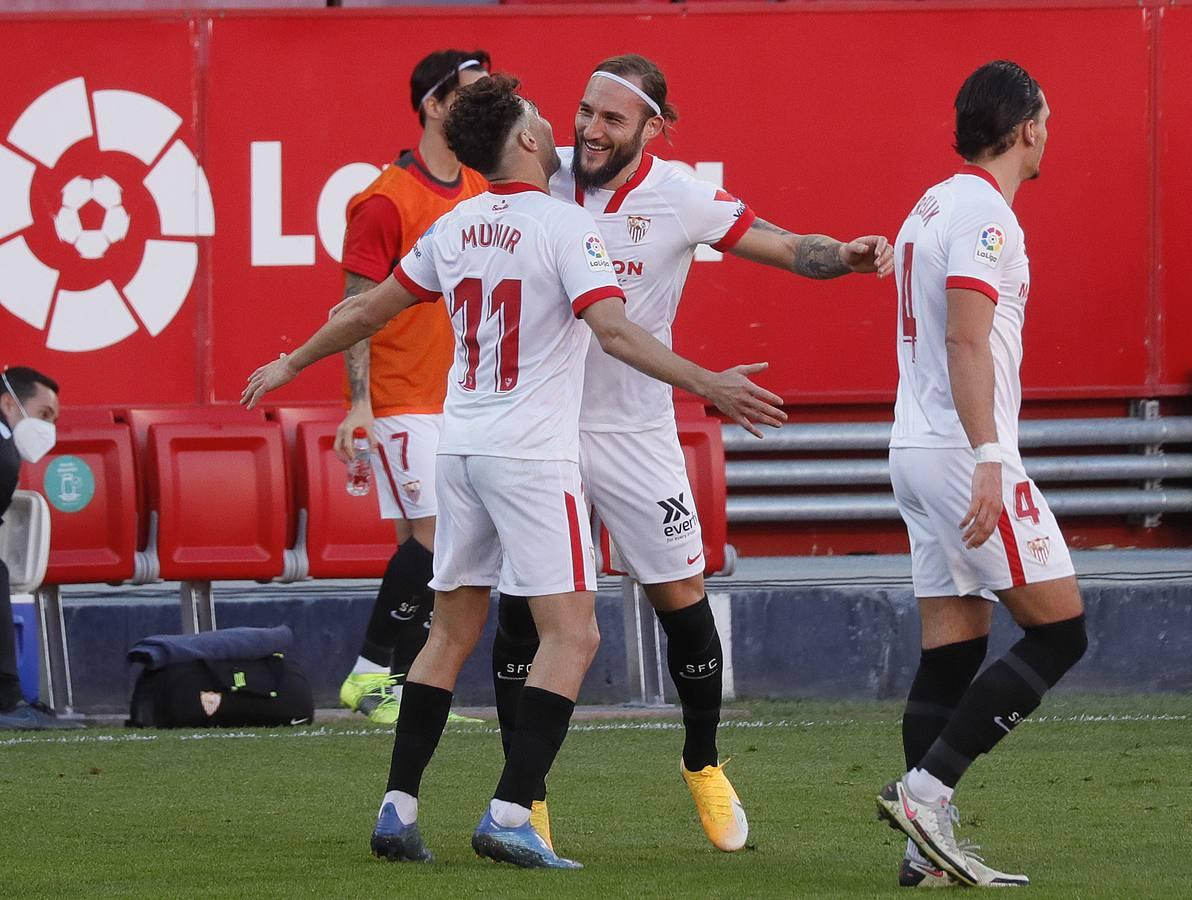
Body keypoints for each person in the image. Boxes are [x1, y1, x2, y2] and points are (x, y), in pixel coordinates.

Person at [241, 74, 785, 870]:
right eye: (541, 117)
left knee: (450, 633)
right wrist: (710, 383)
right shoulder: (566, 227)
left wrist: (291, 359)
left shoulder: (458, 223)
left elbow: (366, 310)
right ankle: (511, 811)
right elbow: (616, 333)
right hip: (533, 455)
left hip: (458, 449)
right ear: (528, 142)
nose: (557, 125)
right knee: (576, 632)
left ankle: (397, 810)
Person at [489, 53, 895, 854]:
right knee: (523, 618)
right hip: (543, 432)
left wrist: (842, 258)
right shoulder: (543, 177)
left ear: (653, 128)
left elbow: (786, 246)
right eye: (584, 112)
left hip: (638, 431)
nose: (589, 130)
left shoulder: (681, 197)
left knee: (683, 603)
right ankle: (524, 794)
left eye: (611, 118)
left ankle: (703, 763)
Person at [874, 61, 1087, 888]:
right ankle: (924, 793)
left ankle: (920, 854)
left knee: (953, 648)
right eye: (1048, 118)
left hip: (916, 444)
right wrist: (992, 456)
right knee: (1060, 628)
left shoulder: (932, 203)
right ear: (1027, 126)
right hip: (963, 450)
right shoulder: (989, 218)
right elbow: (965, 340)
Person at [334, 49, 491, 725]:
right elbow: (355, 307)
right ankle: (369, 674)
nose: (485, 105)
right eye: (471, 93)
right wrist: (360, 404)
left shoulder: (484, 189)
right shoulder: (383, 198)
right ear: (433, 104)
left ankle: (394, 685)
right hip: (401, 399)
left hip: (460, 400)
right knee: (437, 536)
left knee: (431, 547)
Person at [0, 366, 78, 731]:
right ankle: (7, 699)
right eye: (44, 415)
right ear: (9, 404)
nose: (48, 427)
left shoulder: (5, 449)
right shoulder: (4, 454)